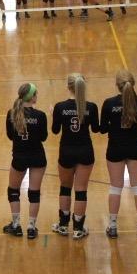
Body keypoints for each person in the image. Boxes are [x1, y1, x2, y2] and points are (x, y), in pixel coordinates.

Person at [99, 70, 137, 239]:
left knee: (115, 187)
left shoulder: (108, 103)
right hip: (136, 148)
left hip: (115, 149)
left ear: (117, 85)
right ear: (132, 84)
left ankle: (112, 226)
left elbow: (103, 128)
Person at [50, 74, 99, 239]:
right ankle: (78, 228)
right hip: (85, 151)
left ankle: (63, 225)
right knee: (81, 190)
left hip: (66, 151)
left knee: (65, 187)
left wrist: (54, 115)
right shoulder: (91, 107)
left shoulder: (60, 107)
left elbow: (55, 131)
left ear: (68, 86)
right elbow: (96, 129)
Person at [4, 83, 48, 239]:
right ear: (33, 97)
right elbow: (44, 137)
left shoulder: (12, 113)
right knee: (34, 192)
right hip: (38, 156)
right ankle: (31, 227)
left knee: (13, 190)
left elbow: (10, 136)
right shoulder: (41, 115)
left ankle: (16, 225)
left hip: (19, 157)